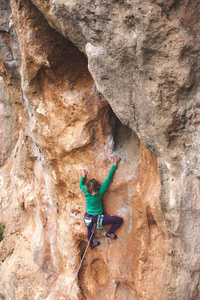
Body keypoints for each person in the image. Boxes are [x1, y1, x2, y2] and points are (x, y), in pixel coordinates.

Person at [79, 156, 123, 249]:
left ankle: (91, 244)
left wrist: (83, 176)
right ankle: (109, 233)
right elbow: (108, 179)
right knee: (119, 220)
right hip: (97, 218)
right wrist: (114, 165)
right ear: (97, 187)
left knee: (89, 231)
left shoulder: (85, 190)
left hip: (88, 217)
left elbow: (80, 185)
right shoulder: (100, 191)